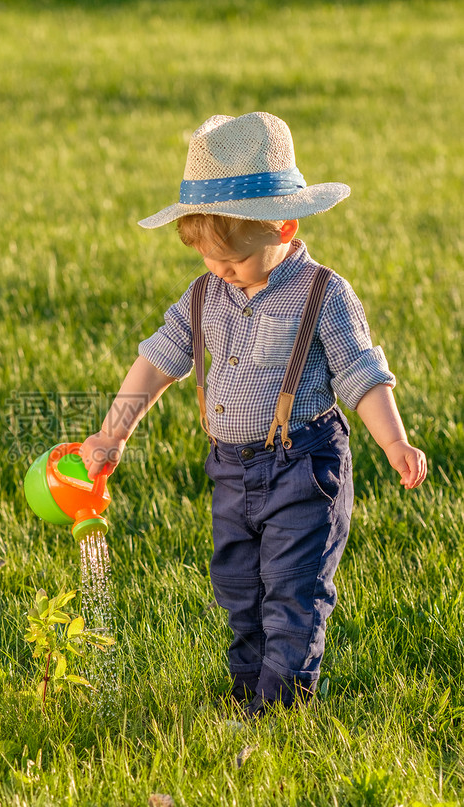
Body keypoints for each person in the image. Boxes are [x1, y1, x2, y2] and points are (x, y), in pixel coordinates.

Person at [79, 112, 427, 717]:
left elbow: (361, 375)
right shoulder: (205, 294)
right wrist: (113, 435)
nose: (220, 273)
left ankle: (277, 709)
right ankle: (246, 692)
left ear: (284, 228)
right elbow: (156, 362)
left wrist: (394, 442)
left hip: (302, 465)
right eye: (209, 260)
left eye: (233, 261)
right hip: (231, 471)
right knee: (240, 589)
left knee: (292, 591)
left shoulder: (321, 292)